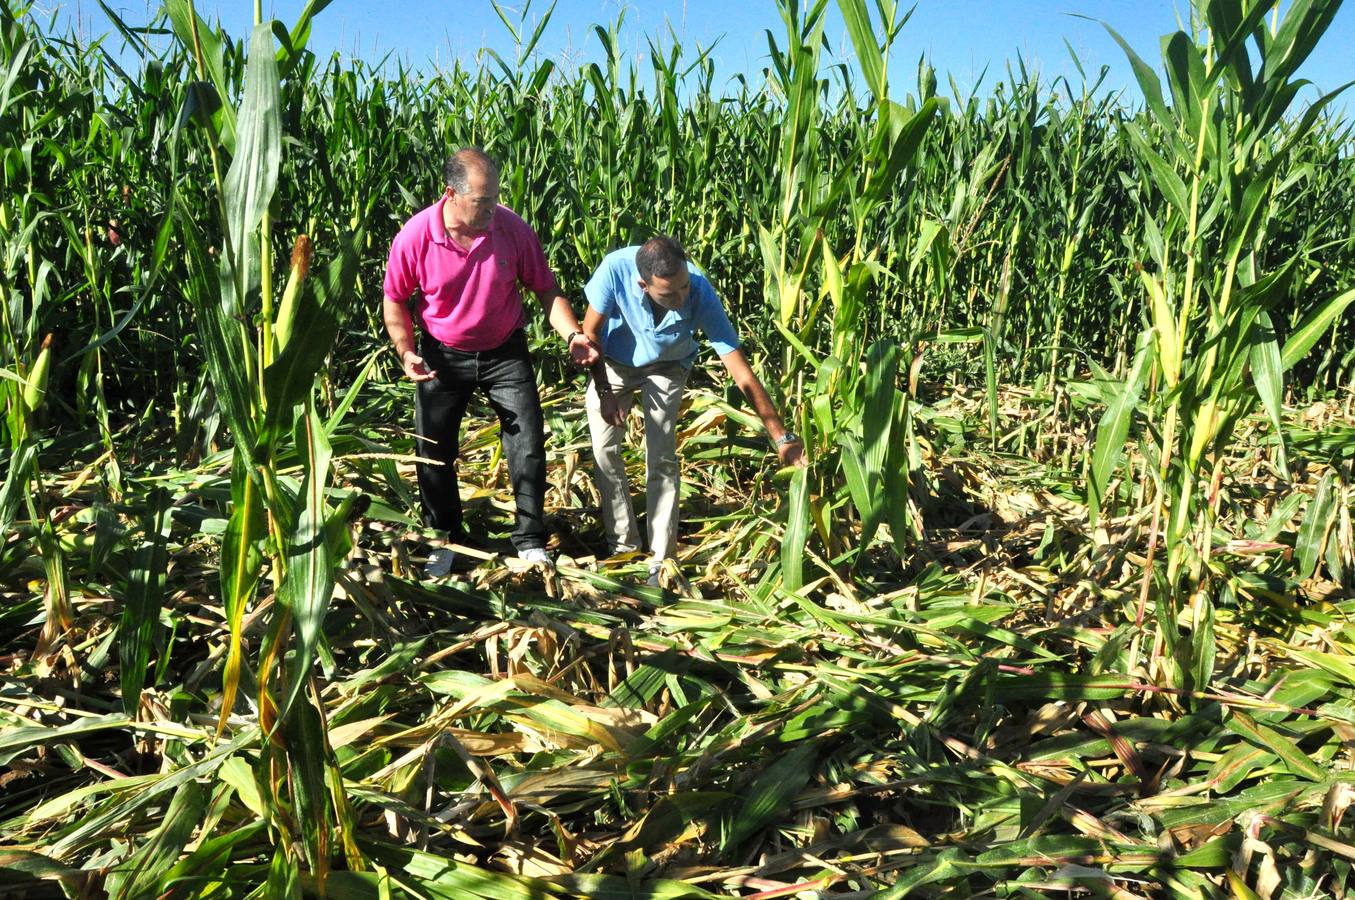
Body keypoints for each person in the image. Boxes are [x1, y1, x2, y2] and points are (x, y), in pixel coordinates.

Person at [383, 148, 598, 576]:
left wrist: (573, 334)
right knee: (434, 449)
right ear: (452, 194)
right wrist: (406, 351)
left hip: (505, 350)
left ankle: (529, 540)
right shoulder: (416, 236)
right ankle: (444, 539)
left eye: (496, 197)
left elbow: (546, 290)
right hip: (441, 353)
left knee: (527, 443)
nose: (493, 208)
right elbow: (395, 300)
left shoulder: (511, 227)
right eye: (483, 201)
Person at [581, 236, 807, 583]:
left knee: (661, 455)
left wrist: (781, 436)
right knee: (604, 450)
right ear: (643, 285)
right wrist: (603, 390)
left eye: (683, 287)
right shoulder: (614, 271)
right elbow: (590, 332)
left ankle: (661, 559)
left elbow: (737, 365)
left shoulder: (697, 288)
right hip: (611, 362)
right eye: (669, 294)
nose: (681, 298)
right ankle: (623, 548)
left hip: (668, 365)